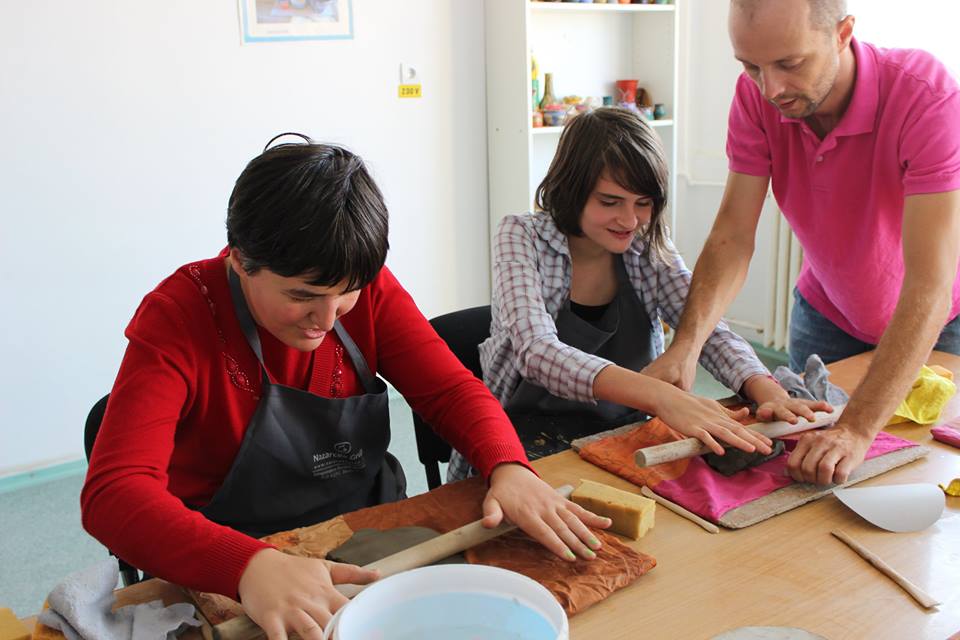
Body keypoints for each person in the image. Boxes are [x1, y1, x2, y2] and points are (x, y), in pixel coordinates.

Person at [81, 135, 611, 640]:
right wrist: (247, 564)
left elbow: (449, 390)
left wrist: (508, 465)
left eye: (347, 294)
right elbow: (114, 494)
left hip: (367, 529)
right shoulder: (178, 315)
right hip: (236, 548)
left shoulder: (362, 285)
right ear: (241, 260)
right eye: (304, 295)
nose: (327, 319)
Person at [652, 0, 960, 486]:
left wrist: (857, 428)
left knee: (921, 483)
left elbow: (929, 284)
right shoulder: (756, 97)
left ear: (842, 34)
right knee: (805, 481)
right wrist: (686, 345)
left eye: (789, 64)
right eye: (751, 66)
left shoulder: (926, 94)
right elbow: (733, 234)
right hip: (827, 313)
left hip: (936, 327)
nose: (770, 89)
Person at [448, 108, 830, 482]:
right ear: (570, 190)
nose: (629, 220)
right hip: (519, 439)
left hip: (622, 429)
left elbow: (703, 327)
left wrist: (763, 389)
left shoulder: (646, 245)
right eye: (610, 202)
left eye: (643, 204)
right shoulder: (520, 236)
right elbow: (537, 352)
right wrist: (661, 397)